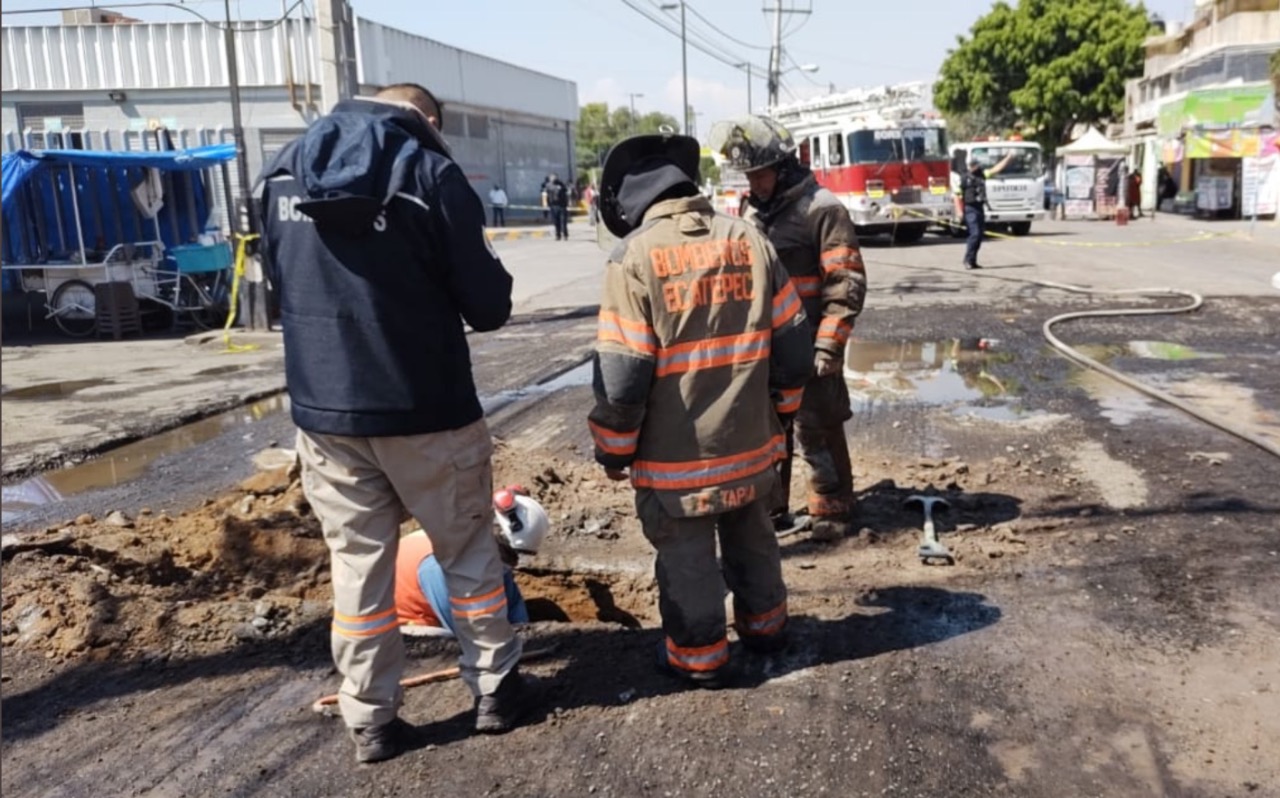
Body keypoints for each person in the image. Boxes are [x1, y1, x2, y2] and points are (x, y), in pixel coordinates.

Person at [257, 82, 539, 764]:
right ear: (427, 120)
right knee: (468, 551)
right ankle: (495, 691)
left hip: (326, 413)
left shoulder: (282, 170)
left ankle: (371, 718)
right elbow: (489, 304)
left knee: (357, 565)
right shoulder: (427, 171)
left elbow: (277, 285)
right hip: (427, 407)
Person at [589, 131, 813, 687]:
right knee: (754, 537)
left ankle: (700, 659)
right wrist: (783, 410)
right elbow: (793, 341)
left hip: (676, 466)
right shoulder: (750, 240)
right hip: (752, 448)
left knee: (688, 560)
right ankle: (767, 629)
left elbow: (622, 377)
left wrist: (613, 449)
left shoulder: (634, 258)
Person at [708, 115, 867, 543]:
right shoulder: (752, 211)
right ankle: (771, 510)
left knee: (817, 427)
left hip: (812, 344)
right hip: (766, 349)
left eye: (760, 175)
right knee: (767, 433)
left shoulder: (822, 209)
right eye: (749, 177)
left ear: (783, 166)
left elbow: (846, 284)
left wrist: (827, 350)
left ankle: (831, 507)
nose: (755, 185)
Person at [397, 486, 549, 637]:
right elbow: (462, 632)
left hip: (435, 615)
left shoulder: (485, 551)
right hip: (404, 627)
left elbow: (515, 611)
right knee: (449, 641)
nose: (512, 563)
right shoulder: (438, 565)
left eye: (516, 556)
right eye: (510, 555)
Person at [954, 152, 1014, 270]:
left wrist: (1008, 158)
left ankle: (972, 261)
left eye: (975, 165)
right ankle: (967, 260)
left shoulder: (982, 174)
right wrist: (959, 212)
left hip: (979, 208)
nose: (973, 167)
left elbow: (996, 169)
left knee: (979, 235)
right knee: (975, 234)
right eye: (971, 165)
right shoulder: (963, 178)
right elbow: (957, 196)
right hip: (970, 208)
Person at [544, 172, 570, 240]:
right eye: (551, 177)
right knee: (556, 221)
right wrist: (546, 204)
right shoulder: (548, 185)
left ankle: (565, 234)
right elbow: (546, 195)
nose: (553, 178)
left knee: (563, 221)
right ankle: (558, 235)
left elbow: (566, 191)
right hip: (553, 205)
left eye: (554, 177)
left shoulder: (561, 184)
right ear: (550, 178)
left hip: (562, 205)